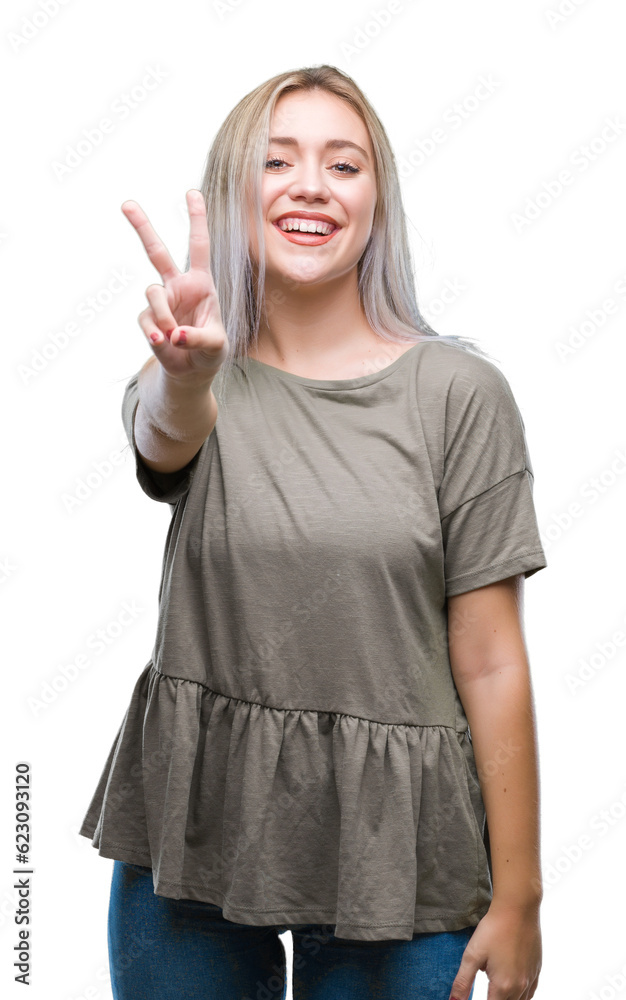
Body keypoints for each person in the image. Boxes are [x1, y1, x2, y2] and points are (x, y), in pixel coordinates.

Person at [79, 65, 547, 1000]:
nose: (310, 186)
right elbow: (163, 434)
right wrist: (185, 373)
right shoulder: (191, 373)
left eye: (344, 164)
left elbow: (494, 661)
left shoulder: (461, 395)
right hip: (196, 831)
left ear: (378, 200)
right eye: (277, 160)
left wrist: (521, 897)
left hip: (405, 849)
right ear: (234, 190)